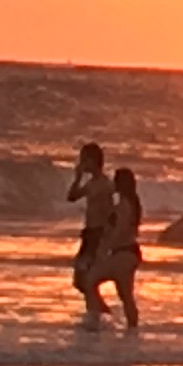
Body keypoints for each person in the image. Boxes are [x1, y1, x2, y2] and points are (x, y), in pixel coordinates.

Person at [96, 164, 145, 331]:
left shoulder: (125, 205)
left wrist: (106, 248)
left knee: (90, 280)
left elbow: (120, 229)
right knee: (126, 296)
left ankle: (100, 318)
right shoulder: (132, 203)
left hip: (123, 252)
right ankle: (132, 331)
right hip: (129, 252)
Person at [68, 142, 112, 323]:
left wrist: (107, 238)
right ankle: (99, 310)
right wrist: (77, 177)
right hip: (89, 233)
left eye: (84, 159)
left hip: (98, 234)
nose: (82, 162)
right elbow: (71, 197)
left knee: (88, 278)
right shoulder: (91, 184)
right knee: (80, 279)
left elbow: (110, 212)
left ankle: (96, 315)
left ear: (93, 161)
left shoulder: (105, 184)